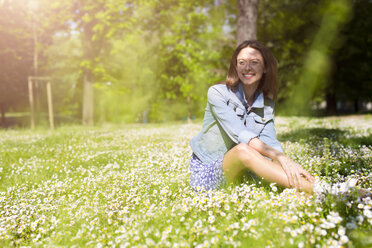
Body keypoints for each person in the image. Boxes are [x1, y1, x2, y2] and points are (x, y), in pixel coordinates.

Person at [189, 40, 358, 197]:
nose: (247, 67)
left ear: (265, 68)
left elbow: (271, 143)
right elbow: (240, 133)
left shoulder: (267, 105)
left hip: (243, 171)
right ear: (236, 67)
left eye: (254, 62)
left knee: (279, 164)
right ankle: (326, 191)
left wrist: (288, 164)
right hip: (207, 173)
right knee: (243, 150)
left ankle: (334, 190)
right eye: (241, 62)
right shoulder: (217, 93)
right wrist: (281, 158)